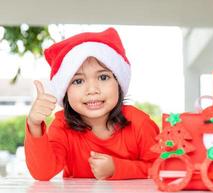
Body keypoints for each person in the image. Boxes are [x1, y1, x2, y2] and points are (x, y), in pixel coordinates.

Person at [25, 27, 159, 181]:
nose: (92, 90)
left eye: (103, 77)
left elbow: (161, 168)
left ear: (119, 82)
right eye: (78, 81)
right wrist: (34, 124)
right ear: (65, 92)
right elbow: (43, 173)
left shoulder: (140, 124)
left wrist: (117, 168)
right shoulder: (62, 126)